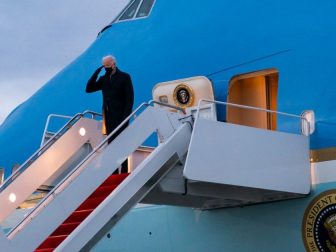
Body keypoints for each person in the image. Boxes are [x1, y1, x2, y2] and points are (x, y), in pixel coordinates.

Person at [86, 55, 134, 173]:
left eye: (108, 65)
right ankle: (112, 171)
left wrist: (126, 117)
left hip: (121, 116)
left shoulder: (124, 77)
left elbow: (130, 98)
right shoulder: (104, 79)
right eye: (105, 66)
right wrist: (96, 72)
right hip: (108, 116)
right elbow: (89, 88)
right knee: (111, 144)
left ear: (114, 64)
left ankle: (123, 171)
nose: (107, 68)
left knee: (122, 143)